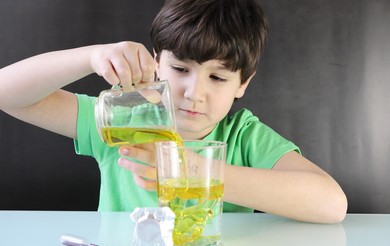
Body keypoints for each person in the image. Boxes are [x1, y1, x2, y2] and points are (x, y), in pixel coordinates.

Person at [0, 0, 347, 223]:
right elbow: (7, 92)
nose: (195, 93)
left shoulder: (243, 136)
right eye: (181, 69)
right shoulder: (125, 119)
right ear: (157, 64)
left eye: (217, 77)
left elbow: (331, 204)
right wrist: (90, 57)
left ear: (242, 84)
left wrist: (195, 170)